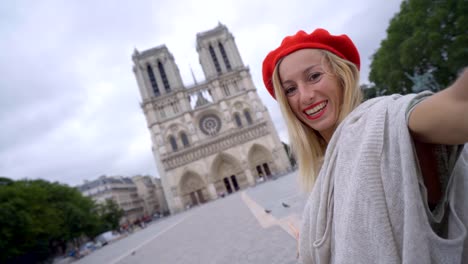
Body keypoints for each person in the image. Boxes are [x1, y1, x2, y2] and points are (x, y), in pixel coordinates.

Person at [261, 28, 468, 263]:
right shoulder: (327, 168)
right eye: (290, 89)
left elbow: (459, 106)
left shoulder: (381, 120)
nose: (305, 96)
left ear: (341, 74)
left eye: (314, 76)